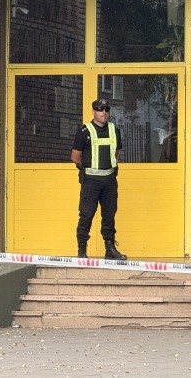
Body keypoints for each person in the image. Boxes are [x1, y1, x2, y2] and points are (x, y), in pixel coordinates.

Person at [70, 98, 127, 260]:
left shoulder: (114, 130)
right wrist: (87, 168)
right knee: (87, 214)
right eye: (100, 110)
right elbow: (75, 156)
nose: (103, 113)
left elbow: (116, 152)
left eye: (106, 110)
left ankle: (110, 249)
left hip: (109, 180)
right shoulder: (85, 131)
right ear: (94, 111)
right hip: (91, 181)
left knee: (109, 214)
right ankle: (82, 250)